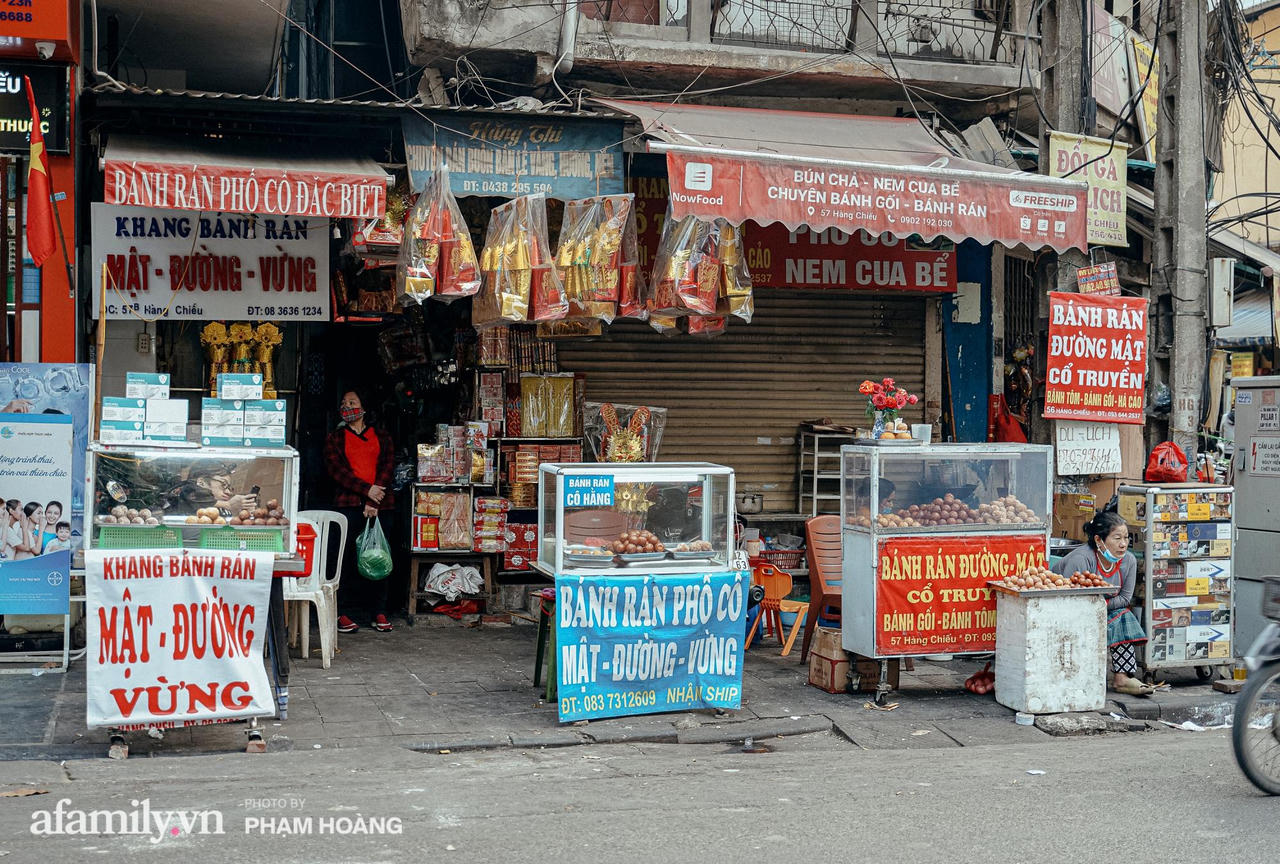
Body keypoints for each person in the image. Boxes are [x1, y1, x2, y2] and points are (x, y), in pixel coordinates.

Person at [1051, 510, 1153, 696]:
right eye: (1117, 538)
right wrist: (1098, 607)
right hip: (1069, 611)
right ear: (1099, 540)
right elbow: (1068, 600)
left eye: (1126, 538)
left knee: (1124, 616)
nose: (1123, 544)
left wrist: (1098, 607)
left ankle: (1122, 678)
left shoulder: (1128, 561)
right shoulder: (1081, 559)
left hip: (1102, 608)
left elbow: (1124, 599)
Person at [323, 390, 395, 634]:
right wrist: (367, 491)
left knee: (379, 556)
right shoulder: (335, 438)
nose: (347, 406)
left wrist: (374, 500)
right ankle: (343, 611)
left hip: (380, 506)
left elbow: (387, 466)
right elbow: (337, 471)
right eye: (344, 403)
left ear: (364, 408)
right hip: (348, 506)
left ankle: (379, 611)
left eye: (352, 402)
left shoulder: (382, 436)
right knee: (344, 559)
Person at [164, 461, 258, 516]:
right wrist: (228, 504)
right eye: (223, 484)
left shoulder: (220, 508)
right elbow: (193, 493)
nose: (228, 492)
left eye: (229, 487)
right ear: (201, 482)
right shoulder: (187, 492)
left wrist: (244, 514)